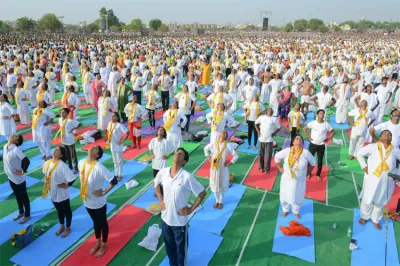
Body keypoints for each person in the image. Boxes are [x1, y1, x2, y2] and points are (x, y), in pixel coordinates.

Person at [154, 148, 206, 266]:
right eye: (177, 153)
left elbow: (202, 193)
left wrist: (191, 209)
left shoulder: (187, 177)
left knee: (180, 251)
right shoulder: (163, 172)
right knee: (169, 248)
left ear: (184, 162)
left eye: (181, 154)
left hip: (179, 222)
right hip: (165, 219)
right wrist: (161, 200)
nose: (178, 154)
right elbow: (155, 184)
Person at [357, 130, 400, 229]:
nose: (387, 135)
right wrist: (364, 166)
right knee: (368, 199)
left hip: (387, 181)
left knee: (381, 201)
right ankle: (364, 216)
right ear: (380, 137)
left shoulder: (395, 150)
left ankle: (375, 219)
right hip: (372, 179)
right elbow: (359, 153)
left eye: (389, 134)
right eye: (385, 134)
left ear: (391, 138)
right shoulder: (373, 147)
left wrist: (397, 174)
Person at [79, 146, 118, 257]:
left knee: (102, 223)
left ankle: (104, 244)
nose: (92, 148)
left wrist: (104, 192)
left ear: (97, 155)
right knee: (95, 222)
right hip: (86, 201)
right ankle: (97, 241)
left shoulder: (99, 167)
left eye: (95, 149)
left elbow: (113, 181)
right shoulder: (81, 162)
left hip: (98, 203)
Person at [275, 135, 317, 218]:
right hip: (286, 179)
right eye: (296, 139)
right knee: (284, 195)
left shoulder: (305, 153)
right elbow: (277, 157)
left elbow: (313, 163)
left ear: (302, 143)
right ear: (293, 142)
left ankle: (295, 211)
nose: (298, 140)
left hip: (299, 181)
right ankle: (285, 210)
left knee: (298, 196)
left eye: (300, 139)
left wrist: (308, 172)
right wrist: (280, 167)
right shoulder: (287, 151)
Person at [42, 146, 76, 237]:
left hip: (62, 193)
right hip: (52, 191)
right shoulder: (47, 163)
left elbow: (72, 178)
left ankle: (68, 227)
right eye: (55, 149)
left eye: (57, 150)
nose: (54, 150)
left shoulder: (62, 166)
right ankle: (62, 225)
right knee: (59, 210)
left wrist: (67, 185)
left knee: (67, 210)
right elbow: (45, 174)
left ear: (61, 155)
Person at [204, 131, 239, 209]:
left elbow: (236, 156)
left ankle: (220, 201)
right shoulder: (213, 144)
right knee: (214, 184)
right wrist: (209, 158)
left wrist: (229, 163)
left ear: (225, 136)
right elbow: (206, 149)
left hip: (223, 168)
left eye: (223, 134)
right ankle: (216, 200)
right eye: (220, 134)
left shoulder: (228, 146)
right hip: (214, 168)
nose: (221, 135)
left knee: (222, 184)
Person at [4, 134, 31, 224]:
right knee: (17, 196)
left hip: (19, 178)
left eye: (15, 136)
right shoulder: (5, 146)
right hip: (10, 177)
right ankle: (21, 212)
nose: (13, 135)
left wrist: (22, 171)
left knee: (24, 197)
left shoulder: (16, 149)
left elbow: (26, 161)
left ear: (17, 142)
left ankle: (27, 215)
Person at [303, 109, 336, 181]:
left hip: (321, 145)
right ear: (317, 115)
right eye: (320, 113)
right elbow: (304, 129)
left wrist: (328, 138)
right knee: (310, 159)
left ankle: (318, 174)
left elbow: (333, 132)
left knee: (320, 160)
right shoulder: (313, 123)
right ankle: (308, 173)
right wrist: (308, 137)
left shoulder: (326, 124)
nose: (322, 114)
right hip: (313, 144)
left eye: (323, 113)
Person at [148, 127, 175, 195]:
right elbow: (149, 147)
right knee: (156, 179)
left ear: (163, 133)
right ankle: (158, 192)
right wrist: (151, 154)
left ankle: (163, 191)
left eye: (162, 130)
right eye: (159, 129)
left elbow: (173, 150)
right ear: (157, 132)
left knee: (163, 179)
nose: (160, 130)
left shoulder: (166, 142)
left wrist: (168, 156)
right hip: (155, 164)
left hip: (163, 164)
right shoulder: (153, 140)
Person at [55, 108, 82, 174]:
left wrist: (73, 128)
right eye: (61, 112)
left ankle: (76, 168)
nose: (62, 114)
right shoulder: (60, 120)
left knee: (73, 155)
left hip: (70, 140)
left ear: (67, 113)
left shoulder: (70, 121)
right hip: (64, 139)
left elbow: (80, 124)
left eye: (64, 112)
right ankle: (70, 166)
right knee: (67, 154)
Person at [255, 107, 281, 173]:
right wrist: (258, 131)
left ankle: (267, 168)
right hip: (261, 139)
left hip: (269, 140)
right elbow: (256, 123)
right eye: (268, 110)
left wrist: (274, 133)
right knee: (260, 155)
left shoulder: (274, 119)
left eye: (271, 110)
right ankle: (261, 167)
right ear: (266, 111)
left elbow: (279, 127)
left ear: (272, 112)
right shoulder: (262, 117)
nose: (270, 111)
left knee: (268, 156)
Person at [106, 112, 129, 181]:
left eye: (114, 116)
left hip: (118, 145)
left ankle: (120, 174)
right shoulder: (109, 124)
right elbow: (108, 131)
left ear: (118, 118)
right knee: (115, 161)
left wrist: (122, 141)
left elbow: (128, 133)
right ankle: (116, 174)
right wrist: (108, 139)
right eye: (112, 116)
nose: (112, 118)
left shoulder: (119, 125)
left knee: (119, 161)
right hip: (112, 145)